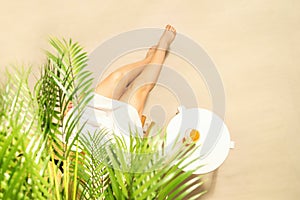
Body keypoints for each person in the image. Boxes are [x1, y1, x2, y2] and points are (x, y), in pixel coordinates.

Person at [72, 25, 177, 140]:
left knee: (117, 77)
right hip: (108, 141)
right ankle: (163, 46)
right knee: (139, 89)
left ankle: (147, 61)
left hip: (84, 121)